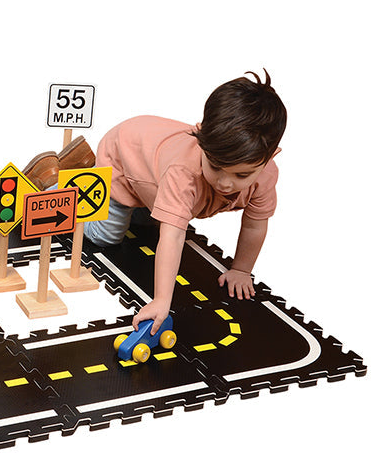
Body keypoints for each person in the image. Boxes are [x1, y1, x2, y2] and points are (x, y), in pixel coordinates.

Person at [85, 70, 286, 334]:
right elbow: (173, 236)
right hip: (123, 159)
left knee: (149, 225)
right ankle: (72, 187)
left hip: (153, 180)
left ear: (270, 156)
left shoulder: (266, 175)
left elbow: (254, 225)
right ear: (201, 140)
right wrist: (160, 301)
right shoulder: (184, 173)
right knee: (106, 236)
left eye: (241, 175)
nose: (225, 184)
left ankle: (132, 203)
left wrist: (241, 270)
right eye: (215, 167)